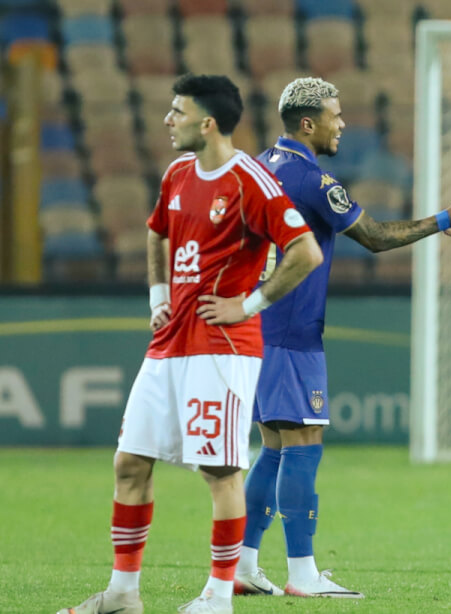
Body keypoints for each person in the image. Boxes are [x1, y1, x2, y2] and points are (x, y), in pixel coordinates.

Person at [58, 74, 324, 614]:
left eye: (177, 111)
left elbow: (305, 252)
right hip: (169, 343)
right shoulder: (178, 173)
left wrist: (247, 305)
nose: (167, 120)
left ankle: (218, 597)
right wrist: (158, 293)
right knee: (129, 462)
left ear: (207, 122)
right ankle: (123, 594)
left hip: (222, 349)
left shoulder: (250, 180)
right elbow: (157, 231)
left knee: (220, 472)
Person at [232, 77, 451, 599]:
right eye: (334, 114)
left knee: (274, 447)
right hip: (291, 331)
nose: (342, 122)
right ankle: (304, 574)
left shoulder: (258, 166)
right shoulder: (312, 179)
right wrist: (445, 219)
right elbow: (374, 237)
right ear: (308, 123)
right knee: (302, 443)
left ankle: (242, 564)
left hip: (257, 325)